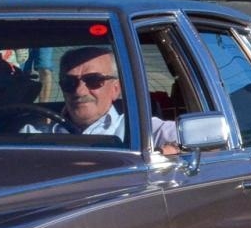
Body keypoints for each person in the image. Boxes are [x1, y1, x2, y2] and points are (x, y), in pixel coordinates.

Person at [22, 46, 179, 151]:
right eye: (69, 82)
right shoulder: (32, 136)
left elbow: (191, 137)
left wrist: (169, 152)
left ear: (115, 89)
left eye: (93, 80)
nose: (79, 90)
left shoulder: (144, 132)